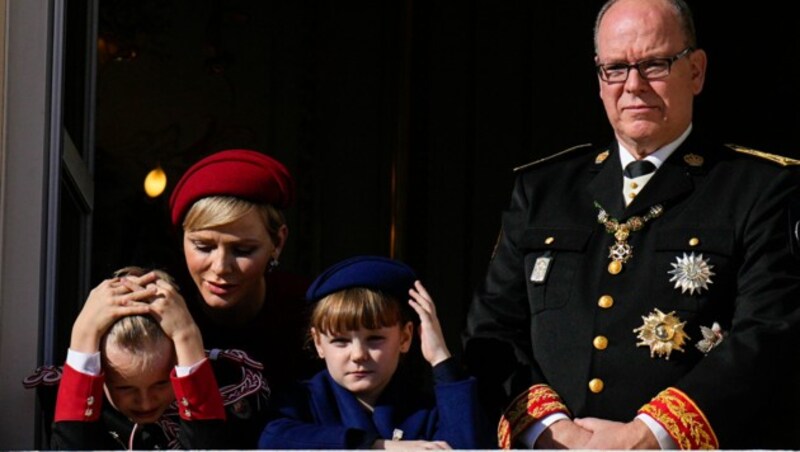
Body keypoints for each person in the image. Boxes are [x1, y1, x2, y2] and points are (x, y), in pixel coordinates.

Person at [463, 0, 800, 449]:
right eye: (616, 68)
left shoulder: (760, 188)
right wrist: (551, 433)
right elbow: (491, 334)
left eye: (655, 64)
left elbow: (770, 333)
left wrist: (647, 438)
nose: (633, 86)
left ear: (696, 71)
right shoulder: (542, 191)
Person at [166, 148, 321, 445]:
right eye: (203, 246)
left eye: (243, 250)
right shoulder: (157, 307)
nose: (221, 268)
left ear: (277, 242)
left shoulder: (308, 314)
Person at [258, 256, 493, 449]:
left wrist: (440, 357)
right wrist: (377, 446)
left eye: (375, 339)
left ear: (405, 337)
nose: (358, 354)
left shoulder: (425, 412)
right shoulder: (301, 401)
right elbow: (272, 440)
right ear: (318, 343)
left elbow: (468, 446)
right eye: (340, 341)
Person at [49, 267, 226, 449]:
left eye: (161, 384)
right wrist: (83, 335)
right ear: (100, 371)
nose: (145, 402)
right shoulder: (85, 409)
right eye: (125, 388)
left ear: (181, 362)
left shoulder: (229, 391)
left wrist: (186, 335)